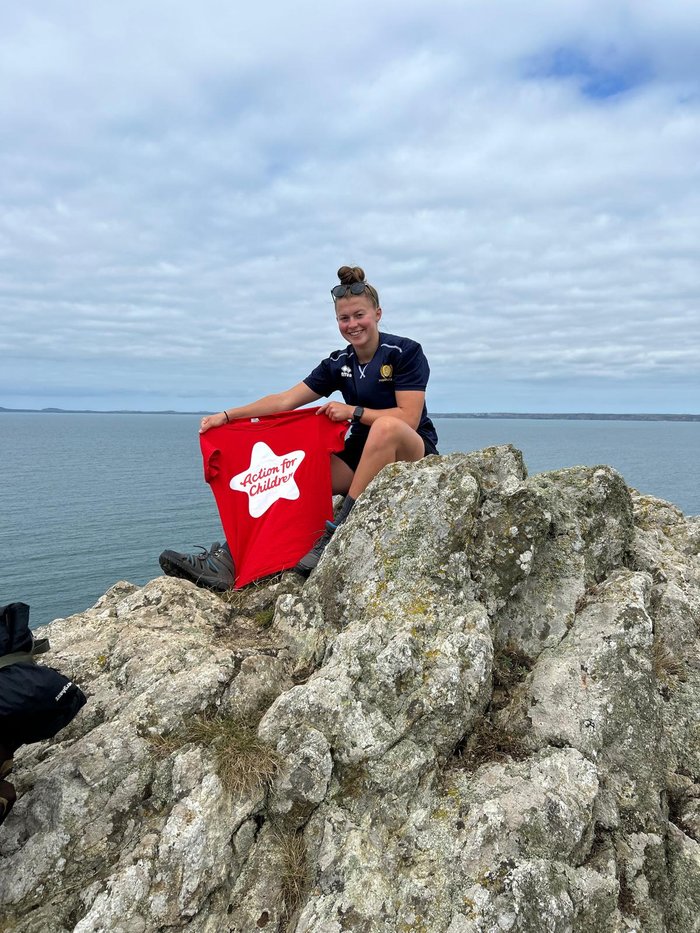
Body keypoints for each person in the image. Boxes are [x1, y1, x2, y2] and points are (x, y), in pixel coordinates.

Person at [159, 265, 439, 589]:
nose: (352, 325)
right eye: (343, 319)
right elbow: (284, 401)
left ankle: (336, 534)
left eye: (359, 315)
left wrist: (353, 411)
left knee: (385, 428)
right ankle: (230, 558)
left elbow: (408, 417)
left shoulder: (405, 352)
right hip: (362, 455)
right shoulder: (339, 363)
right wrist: (229, 415)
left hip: (410, 449)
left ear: (377, 313)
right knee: (290, 474)